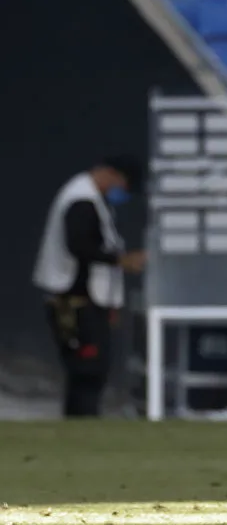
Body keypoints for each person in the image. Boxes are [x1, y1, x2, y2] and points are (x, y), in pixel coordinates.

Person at [32, 156, 146, 417]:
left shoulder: (92, 199)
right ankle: (81, 419)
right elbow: (79, 245)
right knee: (87, 366)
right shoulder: (80, 200)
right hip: (75, 300)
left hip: (89, 299)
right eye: (123, 185)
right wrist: (119, 260)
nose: (122, 193)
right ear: (109, 174)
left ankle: (82, 419)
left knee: (91, 368)